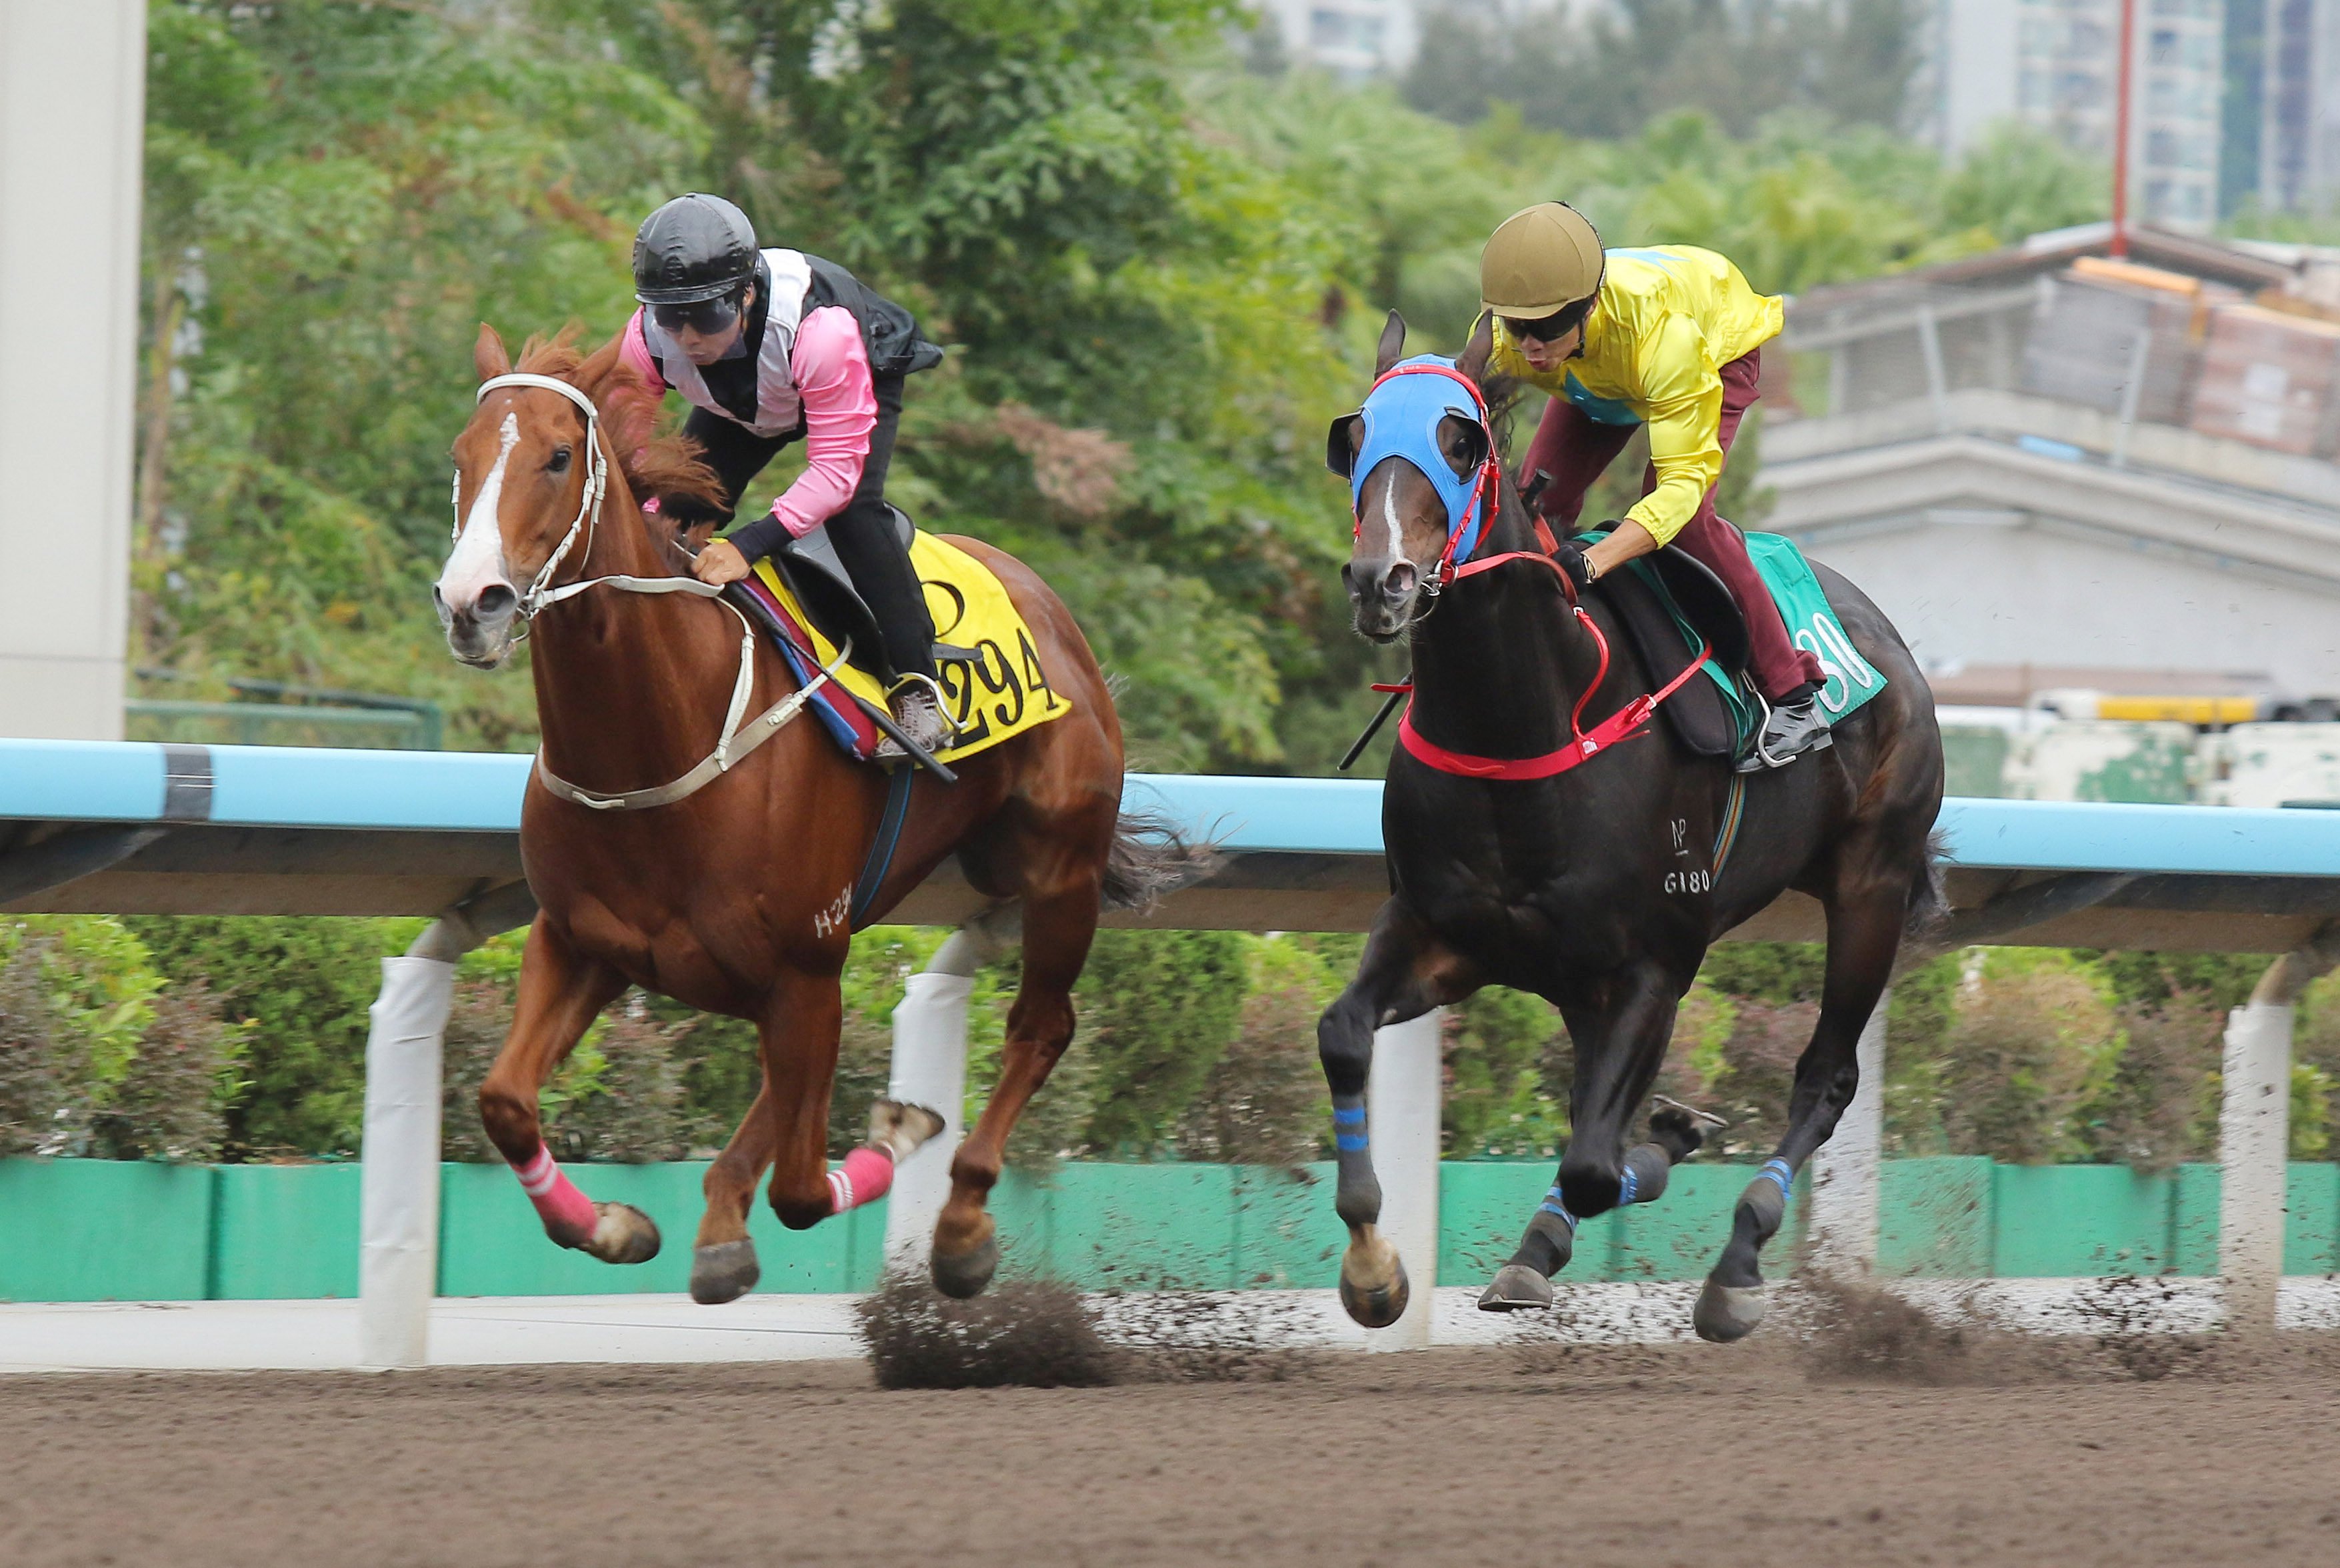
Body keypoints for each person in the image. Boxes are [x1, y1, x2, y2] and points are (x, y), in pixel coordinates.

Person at [1476, 201, 1831, 770]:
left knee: (1685, 522)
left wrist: (1594, 562)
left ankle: (1794, 696)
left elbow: (1680, 489)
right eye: (1517, 329)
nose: (1529, 348)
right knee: (1534, 503)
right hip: (1597, 371)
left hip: (1712, 347)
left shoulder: (1663, 338)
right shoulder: (1508, 335)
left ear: (1588, 305)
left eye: (1545, 330)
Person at [619, 192, 951, 757]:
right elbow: (628, 458)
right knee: (671, 511)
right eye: (671, 316)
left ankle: (918, 685)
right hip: (745, 404)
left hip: (849, 373)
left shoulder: (822, 332)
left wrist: (749, 545)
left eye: (708, 315)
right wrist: (651, 517)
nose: (689, 337)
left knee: (853, 515)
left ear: (746, 293)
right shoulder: (645, 339)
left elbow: (835, 473)